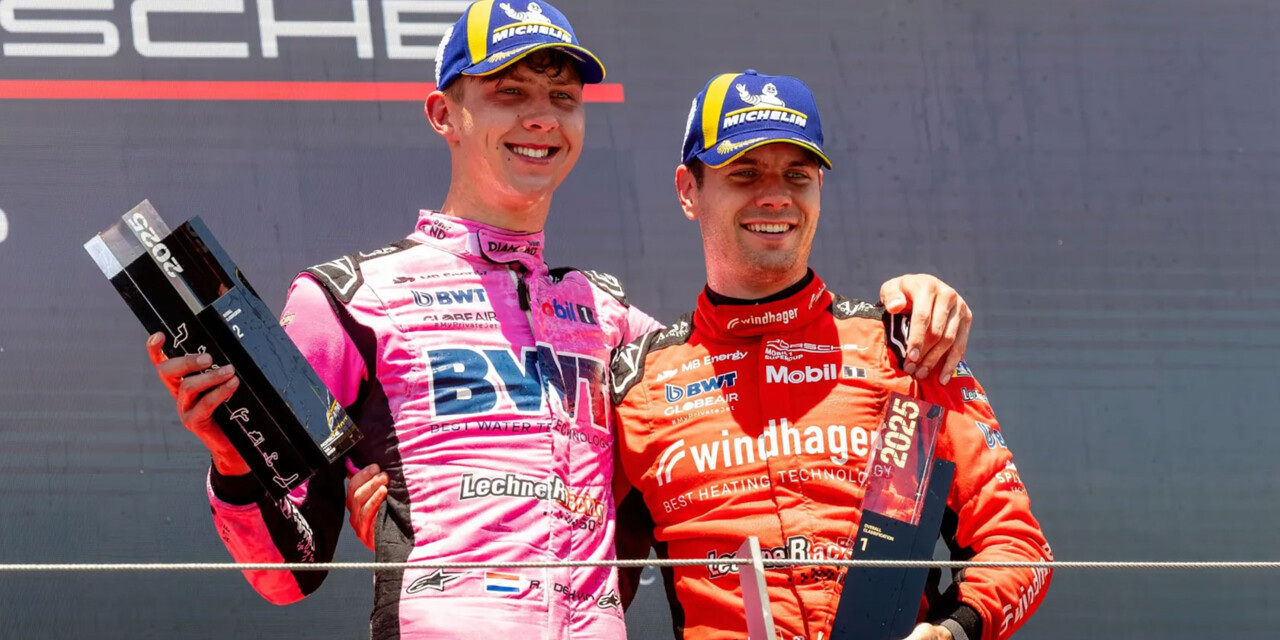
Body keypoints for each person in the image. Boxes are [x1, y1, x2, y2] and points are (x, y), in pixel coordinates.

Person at [143, 2, 974, 638]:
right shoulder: (344, 300)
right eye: (510, 94)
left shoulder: (614, 322)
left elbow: (753, 361)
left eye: (561, 97)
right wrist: (233, 461)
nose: (541, 117)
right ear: (444, 114)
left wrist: (909, 303)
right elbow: (285, 576)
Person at [605, 71, 1052, 640]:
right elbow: (588, 594)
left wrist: (952, 631)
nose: (776, 195)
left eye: (798, 174)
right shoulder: (638, 383)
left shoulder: (904, 348)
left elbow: (1017, 545)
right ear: (688, 191)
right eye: (745, 173)